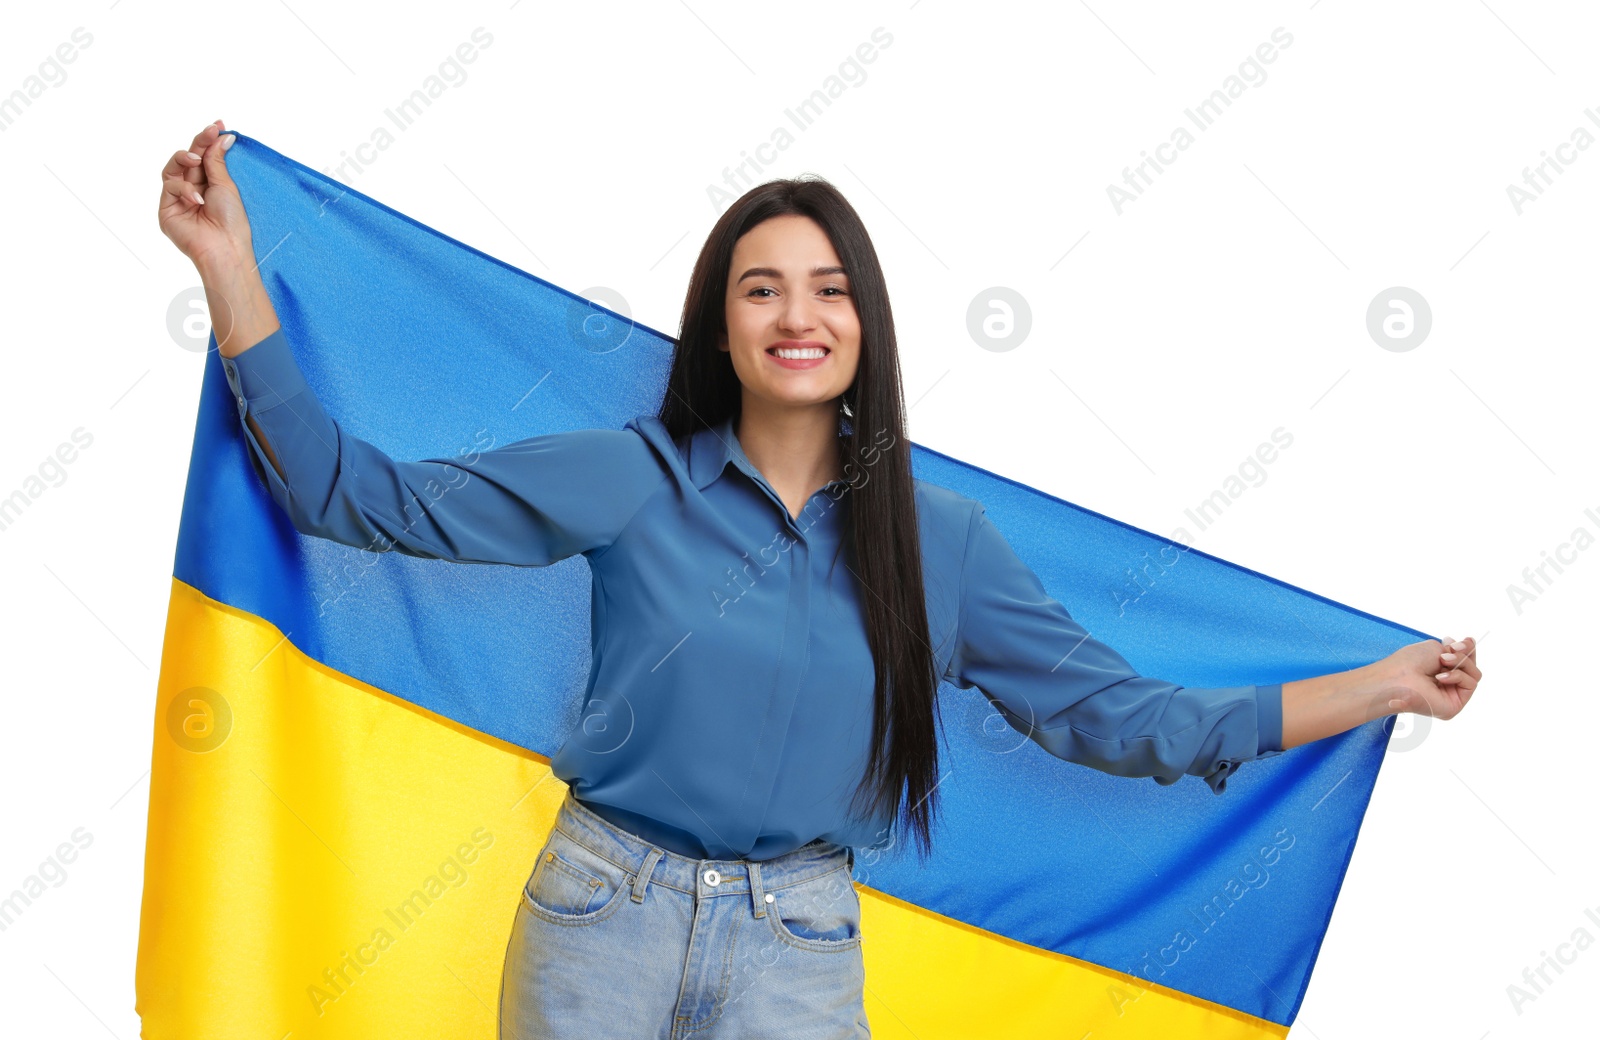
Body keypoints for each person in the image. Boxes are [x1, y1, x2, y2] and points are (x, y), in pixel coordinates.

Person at [157, 118, 1482, 1040]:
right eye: (763, 290)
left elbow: (1129, 724)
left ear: (866, 325)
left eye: (831, 289)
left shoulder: (937, 543)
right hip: (595, 918)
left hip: (798, 949)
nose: (799, 315)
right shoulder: (632, 476)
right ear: (720, 323)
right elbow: (352, 498)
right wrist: (229, 272)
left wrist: (1379, 688)